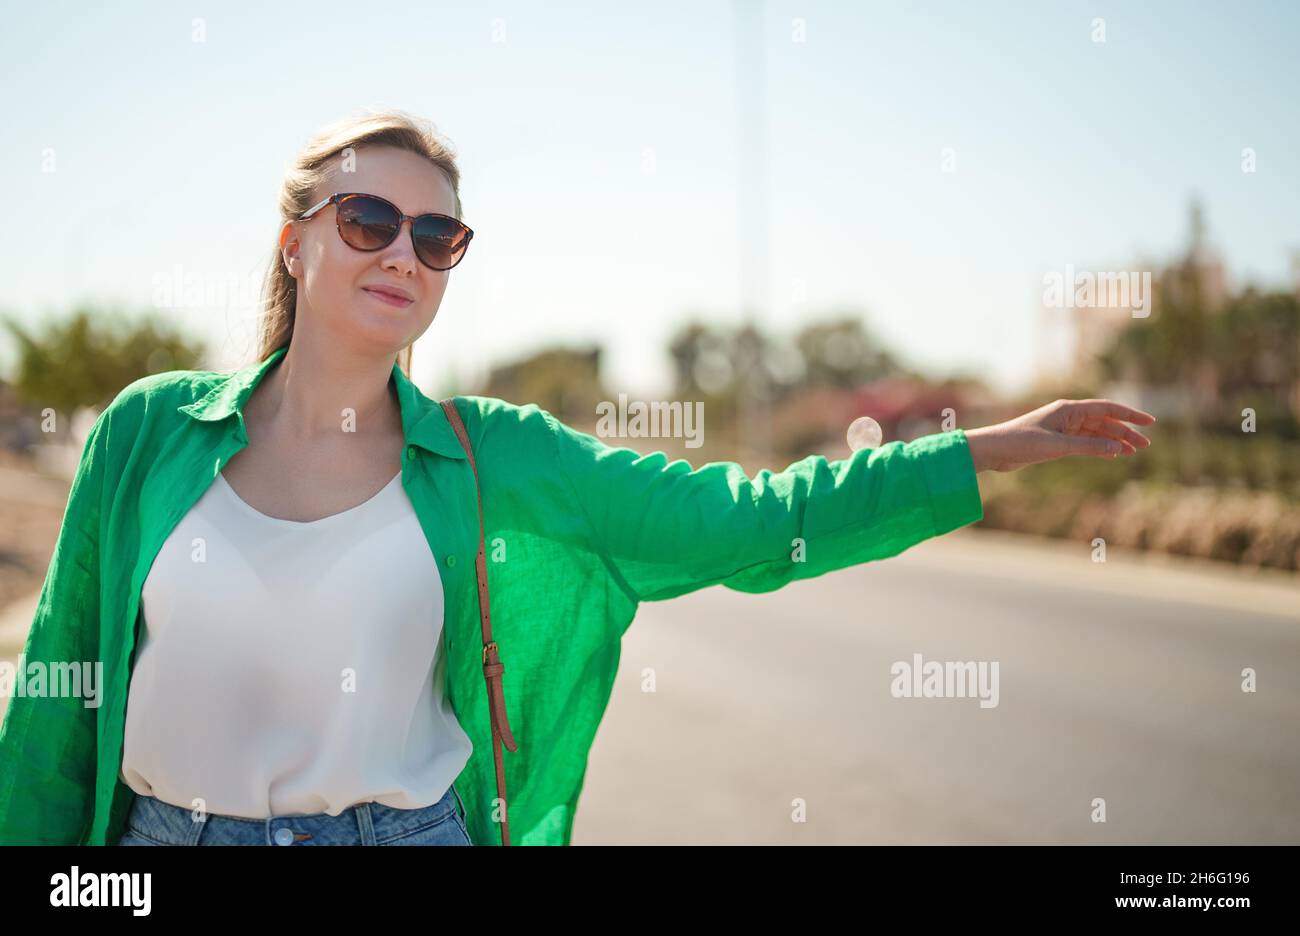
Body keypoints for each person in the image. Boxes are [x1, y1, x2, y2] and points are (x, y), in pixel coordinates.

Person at [0, 109, 1154, 847]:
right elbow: (59, 688)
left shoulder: (496, 456)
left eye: (436, 236)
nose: (402, 250)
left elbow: (745, 519)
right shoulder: (150, 432)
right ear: (296, 239)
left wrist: (983, 448)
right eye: (366, 218)